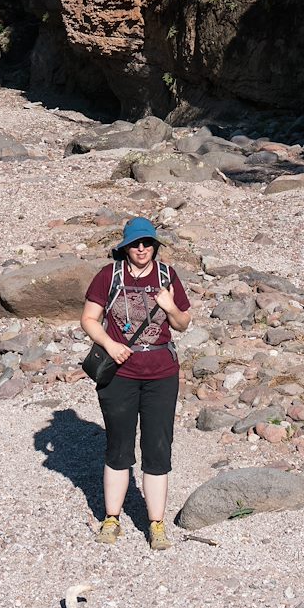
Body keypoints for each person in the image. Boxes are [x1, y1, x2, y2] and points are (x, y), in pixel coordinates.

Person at [80, 215, 190, 549]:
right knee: (118, 446)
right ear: (125, 247)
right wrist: (110, 345)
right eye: (135, 244)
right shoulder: (108, 276)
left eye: (147, 243)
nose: (141, 249)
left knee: (158, 448)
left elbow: (184, 323)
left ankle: (156, 525)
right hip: (120, 375)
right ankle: (111, 519)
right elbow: (88, 318)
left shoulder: (167, 276)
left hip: (161, 373)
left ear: (155, 245)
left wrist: (170, 307)